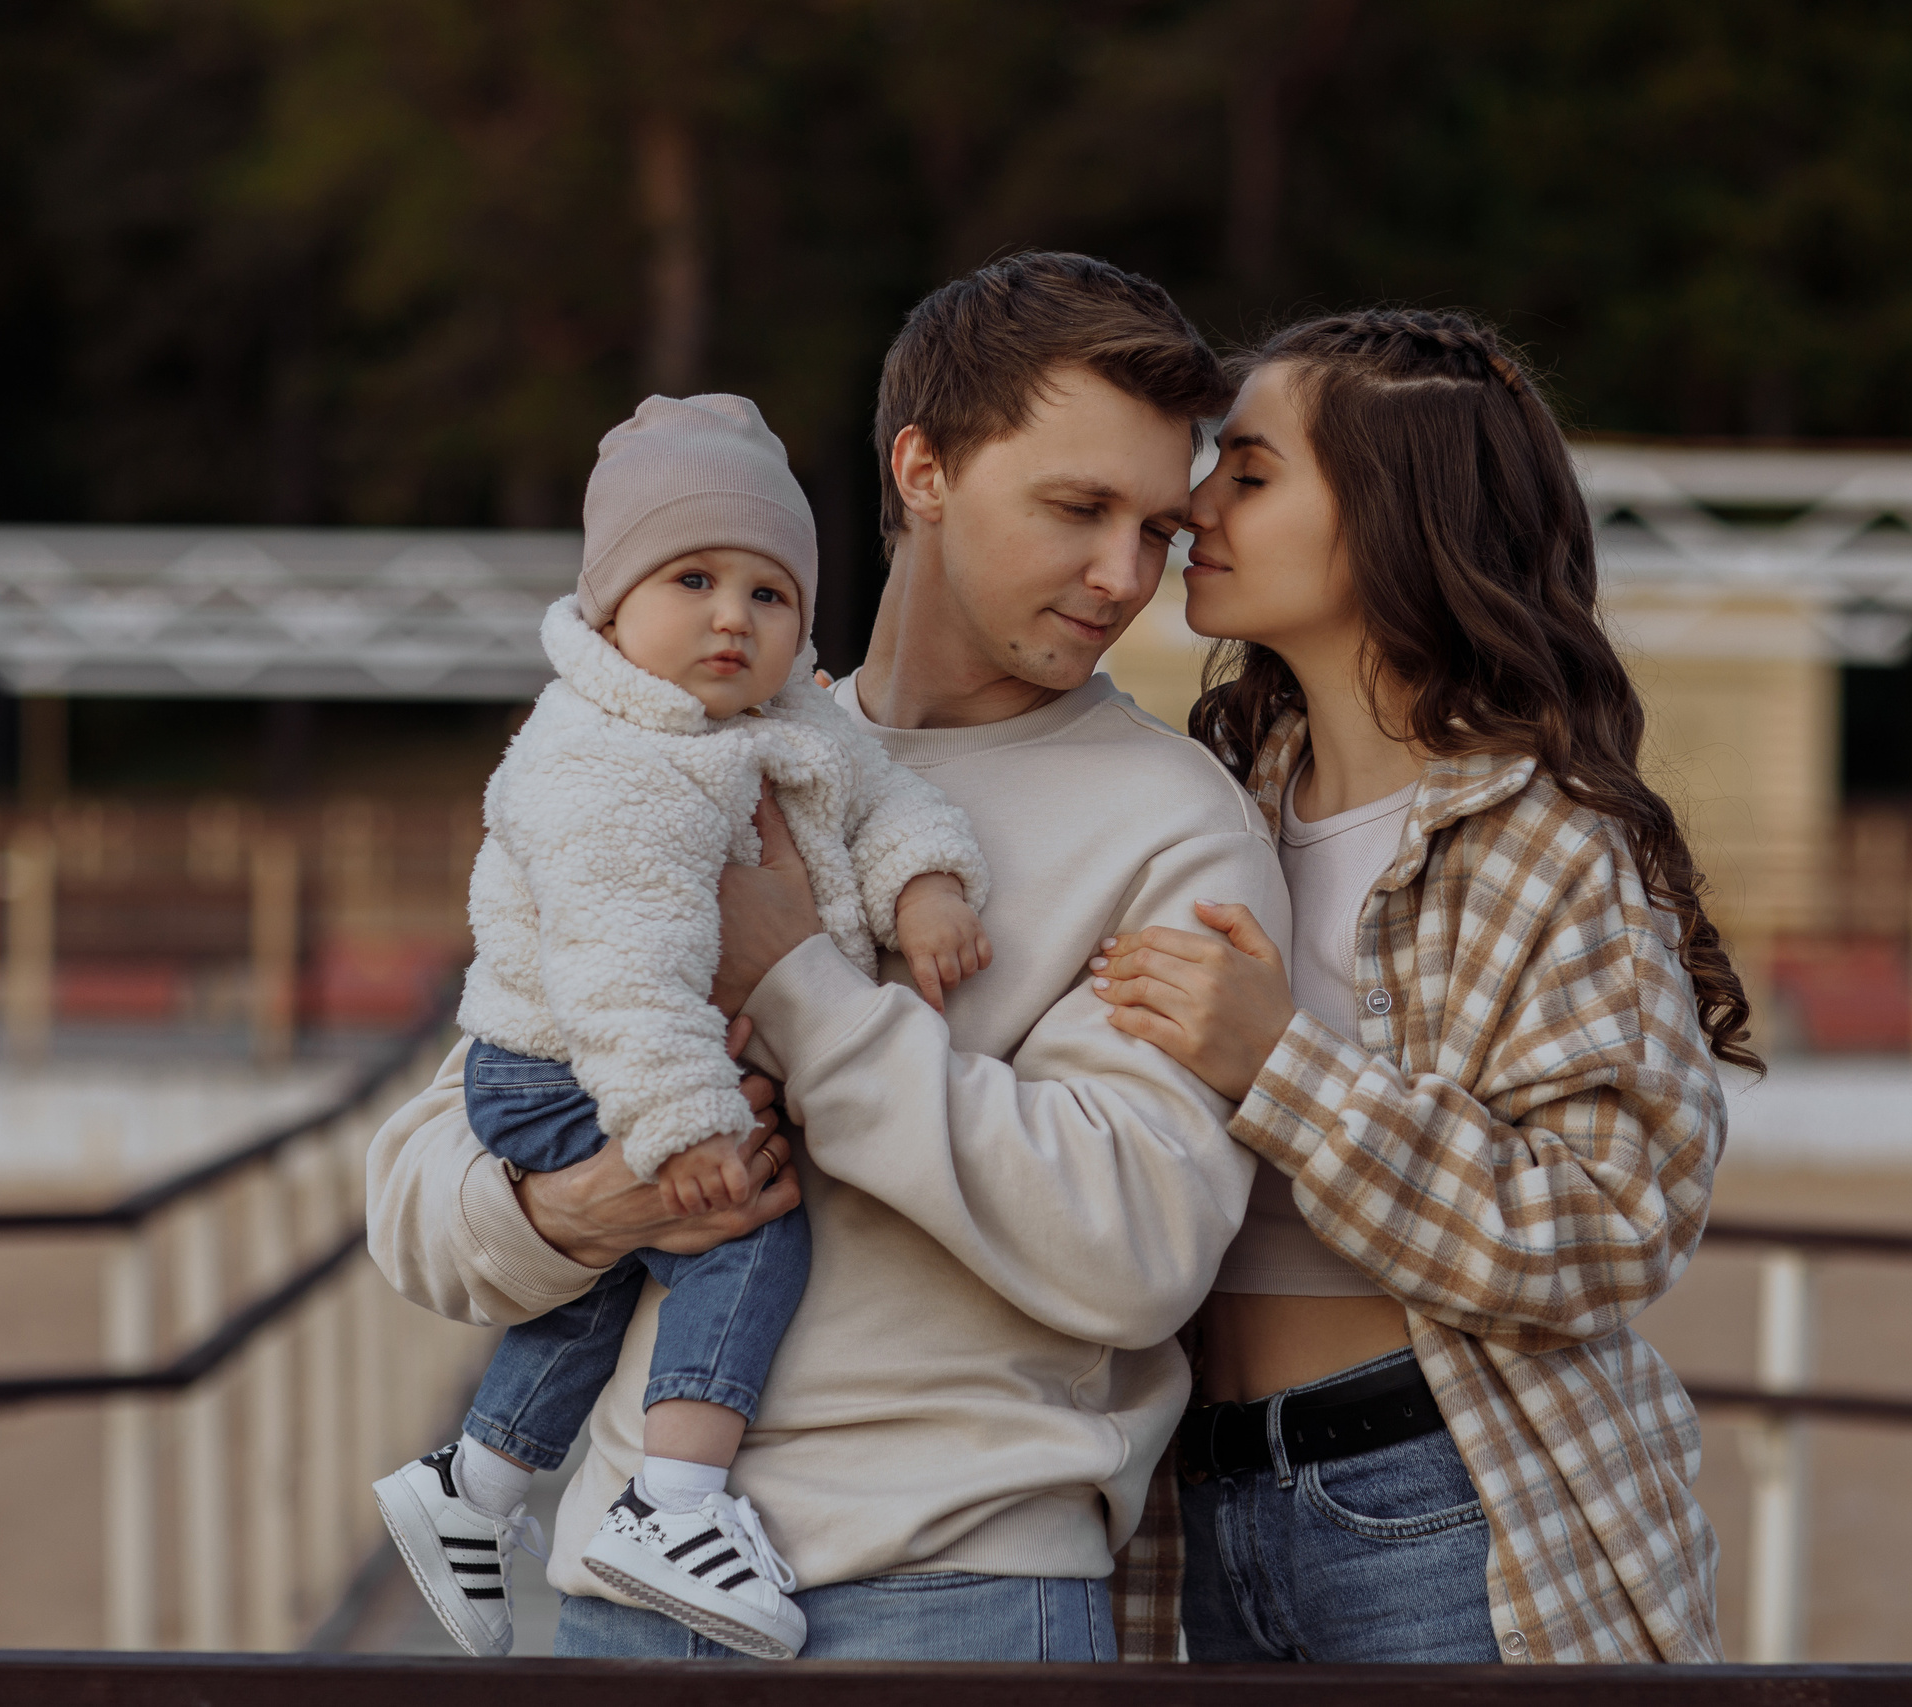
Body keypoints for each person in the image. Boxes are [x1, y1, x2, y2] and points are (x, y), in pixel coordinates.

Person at [368, 251, 1287, 1662]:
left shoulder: (1172, 822)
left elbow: (1136, 1248)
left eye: (1157, 527)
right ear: (924, 469)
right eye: (1078, 508)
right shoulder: (689, 742)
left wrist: (797, 981)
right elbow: (422, 1187)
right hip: (623, 1597)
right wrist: (597, 1206)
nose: (1125, 575)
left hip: (957, 1595)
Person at [1090, 309, 1756, 1663]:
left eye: (1249, 473)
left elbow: (1610, 1225)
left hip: (1439, 1499)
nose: (1195, 504)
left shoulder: (1544, 841)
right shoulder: (1199, 807)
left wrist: (1282, 1065)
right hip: (1188, 1503)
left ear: (1395, 519)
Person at [372, 392, 992, 1660]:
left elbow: (880, 797)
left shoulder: (784, 721)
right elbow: (624, 973)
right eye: (692, 580)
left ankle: (474, 1483)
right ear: (611, 606)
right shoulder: (608, 763)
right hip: (568, 1066)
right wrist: (689, 1129)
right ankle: (674, 1503)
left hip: (641, 1055)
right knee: (742, 1234)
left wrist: (926, 886)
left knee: (610, 1275)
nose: (732, 618)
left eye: (770, 594)